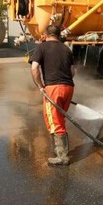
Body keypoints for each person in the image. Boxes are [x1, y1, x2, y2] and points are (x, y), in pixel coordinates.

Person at [31, 25, 75, 166]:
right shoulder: (66, 49)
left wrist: (40, 86)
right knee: (59, 118)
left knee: (54, 121)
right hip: (68, 88)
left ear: (45, 34)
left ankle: (62, 157)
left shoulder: (42, 47)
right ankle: (60, 150)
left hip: (53, 89)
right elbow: (73, 71)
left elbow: (34, 68)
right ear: (59, 35)